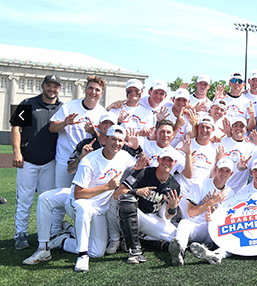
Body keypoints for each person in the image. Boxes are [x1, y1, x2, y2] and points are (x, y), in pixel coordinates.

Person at [63, 125, 140, 272]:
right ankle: (82, 256)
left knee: (97, 252)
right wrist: (107, 187)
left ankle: (65, 240)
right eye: (113, 139)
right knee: (85, 211)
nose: (117, 144)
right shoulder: (89, 161)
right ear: (105, 139)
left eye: (120, 141)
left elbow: (141, 164)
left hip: (99, 209)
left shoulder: (123, 155)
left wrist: (138, 151)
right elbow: (78, 194)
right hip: (81, 204)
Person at [11, 74, 63, 250]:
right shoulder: (27, 103)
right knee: (24, 199)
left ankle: (45, 235)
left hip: (50, 162)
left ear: (59, 89)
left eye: (55, 86)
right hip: (28, 161)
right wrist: (17, 153)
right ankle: (20, 235)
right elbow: (16, 128)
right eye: (49, 85)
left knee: (46, 201)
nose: (52, 89)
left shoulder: (62, 108)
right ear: (43, 86)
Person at [113, 148, 187, 264]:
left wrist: (173, 207)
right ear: (158, 159)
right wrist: (137, 191)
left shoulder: (174, 185)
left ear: (174, 163)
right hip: (135, 214)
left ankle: (143, 242)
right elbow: (117, 194)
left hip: (152, 217)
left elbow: (167, 217)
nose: (166, 162)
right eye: (164, 159)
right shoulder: (144, 173)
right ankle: (134, 251)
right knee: (127, 200)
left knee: (175, 238)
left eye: (170, 160)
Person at [168, 158, 235, 266]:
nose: (224, 173)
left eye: (227, 171)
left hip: (215, 230)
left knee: (232, 236)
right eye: (221, 169)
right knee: (184, 223)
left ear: (231, 173)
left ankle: (213, 254)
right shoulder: (200, 185)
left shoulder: (230, 193)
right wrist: (211, 202)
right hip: (197, 227)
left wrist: (213, 213)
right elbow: (191, 212)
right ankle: (179, 251)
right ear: (216, 169)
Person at [49, 75, 107, 189]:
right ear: (85, 89)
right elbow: (52, 128)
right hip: (65, 160)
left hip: (89, 162)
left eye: (97, 90)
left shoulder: (102, 113)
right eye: (90, 88)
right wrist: (64, 123)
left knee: (82, 196)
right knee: (60, 196)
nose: (93, 92)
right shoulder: (69, 107)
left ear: (102, 93)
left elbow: (104, 141)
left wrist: (93, 132)